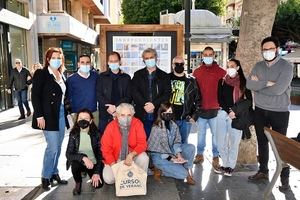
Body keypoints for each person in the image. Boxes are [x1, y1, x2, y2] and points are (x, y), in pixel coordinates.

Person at [246, 36, 293, 190]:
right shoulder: (258, 66)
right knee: (261, 142)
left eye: (270, 49)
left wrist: (258, 85)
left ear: (277, 49)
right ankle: (263, 171)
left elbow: (279, 89)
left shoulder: (286, 66)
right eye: (264, 50)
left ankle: (284, 178)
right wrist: (266, 83)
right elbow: (249, 84)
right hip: (260, 110)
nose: (267, 52)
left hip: (279, 111)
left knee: (281, 146)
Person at [31, 47, 68, 190]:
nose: (56, 60)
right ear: (47, 59)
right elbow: (35, 96)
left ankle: (54, 172)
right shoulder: (41, 73)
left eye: (59, 57)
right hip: (47, 115)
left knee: (58, 147)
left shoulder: (61, 74)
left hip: (60, 113)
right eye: (53, 57)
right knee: (52, 147)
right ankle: (45, 176)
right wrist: (39, 115)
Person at [216, 59, 252, 176]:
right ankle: (225, 164)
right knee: (220, 142)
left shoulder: (243, 82)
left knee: (234, 143)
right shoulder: (221, 81)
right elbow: (220, 99)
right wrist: (229, 111)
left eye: (232, 66)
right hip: (223, 114)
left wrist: (235, 111)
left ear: (237, 68)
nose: (230, 68)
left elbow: (249, 100)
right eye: (228, 66)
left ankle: (230, 167)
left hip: (237, 116)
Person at [192, 46, 226, 170]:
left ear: (214, 56)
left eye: (210, 54)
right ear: (202, 56)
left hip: (216, 109)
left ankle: (216, 156)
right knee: (200, 134)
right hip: (201, 109)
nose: (207, 56)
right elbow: (193, 92)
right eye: (205, 54)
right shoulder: (197, 72)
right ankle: (200, 154)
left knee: (216, 135)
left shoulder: (222, 72)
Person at [147, 102, 195, 185]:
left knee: (191, 147)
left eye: (170, 112)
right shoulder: (156, 127)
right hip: (159, 156)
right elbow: (157, 150)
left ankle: (187, 170)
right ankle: (160, 170)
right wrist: (172, 159)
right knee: (182, 174)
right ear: (161, 113)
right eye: (166, 112)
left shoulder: (173, 125)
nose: (168, 114)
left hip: (171, 151)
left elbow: (177, 141)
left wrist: (178, 154)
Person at [101, 103, 149, 184]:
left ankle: (139, 180)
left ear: (133, 115)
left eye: (129, 115)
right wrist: (114, 165)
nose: (126, 118)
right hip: (115, 159)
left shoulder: (138, 123)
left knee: (144, 157)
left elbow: (142, 144)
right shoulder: (110, 127)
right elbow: (106, 149)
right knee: (108, 179)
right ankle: (124, 177)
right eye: (122, 115)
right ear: (117, 115)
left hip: (132, 157)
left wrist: (131, 155)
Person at [131, 48, 171, 138]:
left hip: (158, 113)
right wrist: (145, 105)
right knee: (142, 139)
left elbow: (167, 93)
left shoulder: (164, 75)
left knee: (158, 140)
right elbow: (134, 92)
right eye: (146, 58)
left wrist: (153, 105)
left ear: (156, 58)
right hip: (142, 113)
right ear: (143, 60)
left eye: (151, 57)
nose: (149, 60)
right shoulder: (138, 75)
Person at [66, 109, 104, 195]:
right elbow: (68, 154)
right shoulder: (73, 134)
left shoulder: (97, 134)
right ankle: (78, 183)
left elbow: (100, 154)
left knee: (99, 185)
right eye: (80, 118)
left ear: (91, 121)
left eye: (86, 118)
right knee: (74, 164)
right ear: (77, 120)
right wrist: (83, 157)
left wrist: (97, 172)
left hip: (93, 163)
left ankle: (91, 174)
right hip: (80, 162)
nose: (83, 120)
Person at [96, 51, 131, 135]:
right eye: (111, 61)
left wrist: (115, 107)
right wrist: (109, 107)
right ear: (108, 63)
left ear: (120, 62)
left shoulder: (126, 77)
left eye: (116, 61)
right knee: (104, 139)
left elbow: (128, 96)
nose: (113, 63)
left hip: (122, 113)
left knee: (121, 139)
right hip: (105, 113)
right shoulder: (102, 76)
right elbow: (98, 94)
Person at [169, 56, 201, 144]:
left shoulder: (192, 81)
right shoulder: (166, 79)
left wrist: (194, 116)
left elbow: (198, 99)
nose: (179, 65)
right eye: (177, 64)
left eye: (181, 64)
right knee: (170, 143)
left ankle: (182, 158)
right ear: (172, 65)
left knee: (184, 144)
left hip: (186, 119)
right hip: (170, 119)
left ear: (184, 65)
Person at [66, 54, 99, 126]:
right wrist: (72, 113)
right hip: (78, 115)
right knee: (79, 136)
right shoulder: (71, 79)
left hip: (93, 113)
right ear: (78, 64)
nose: (85, 64)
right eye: (82, 62)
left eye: (87, 62)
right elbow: (68, 97)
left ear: (90, 64)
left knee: (94, 135)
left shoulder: (96, 76)